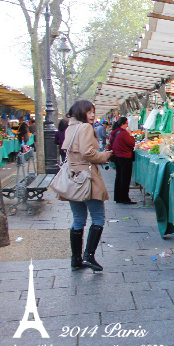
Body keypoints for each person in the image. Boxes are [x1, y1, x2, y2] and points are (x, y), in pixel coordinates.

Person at [58, 100, 112, 271]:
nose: (92, 115)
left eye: (93, 112)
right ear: (82, 113)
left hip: (72, 177)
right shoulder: (86, 128)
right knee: (98, 217)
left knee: (78, 219)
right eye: (89, 112)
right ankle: (89, 256)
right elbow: (87, 153)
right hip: (87, 177)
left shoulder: (70, 127)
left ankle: (76, 259)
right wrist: (104, 155)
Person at [108, 117, 136, 204]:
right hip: (125, 157)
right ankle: (124, 198)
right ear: (123, 124)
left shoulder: (114, 132)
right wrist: (130, 134)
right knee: (125, 178)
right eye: (127, 124)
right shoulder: (123, 133)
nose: (128, 126)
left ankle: (117, 197)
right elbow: (132, 143)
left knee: (119, 177)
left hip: (117, 157)